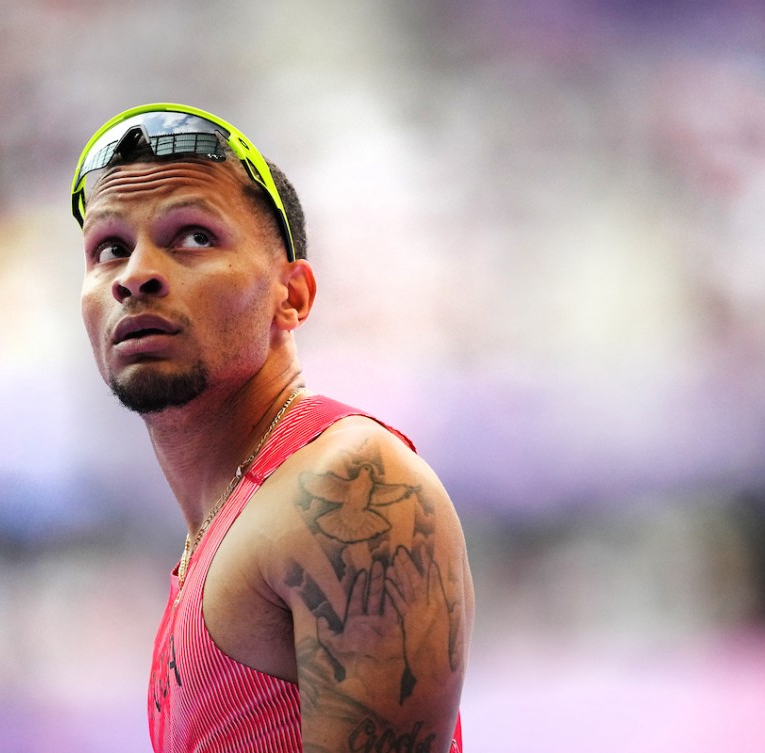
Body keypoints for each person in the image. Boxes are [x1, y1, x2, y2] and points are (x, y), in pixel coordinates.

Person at [70, 104, 474, 753]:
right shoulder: (217, 527)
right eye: (109, 248)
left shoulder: (344, 483)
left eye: (193, 236)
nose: (133, 275)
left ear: (293, 295)